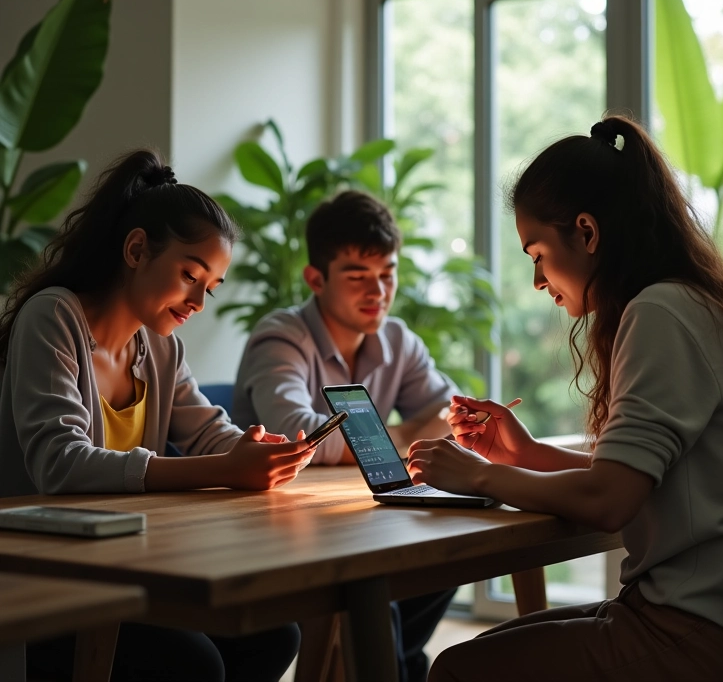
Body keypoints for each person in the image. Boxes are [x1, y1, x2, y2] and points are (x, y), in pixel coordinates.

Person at [408, 115, 723, 682]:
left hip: (690, 633)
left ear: (587, 231)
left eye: (536, 254)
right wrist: (522, 454)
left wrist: (476, 476)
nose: (536, 281)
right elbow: (639, 480)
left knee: (456, 671)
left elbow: (609, 501)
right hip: (712, 618)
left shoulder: (660, 313)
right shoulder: (699, 303)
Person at [0, 149, 313, 682]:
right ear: (137, 249)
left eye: (209, 287)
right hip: (42, 579)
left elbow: (209, 432)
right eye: (190, 275)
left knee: (274, 634)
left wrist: (253, 449)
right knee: (192, 664)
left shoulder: (159, 347)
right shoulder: (52, 316)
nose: (198, 301)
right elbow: (60, 464)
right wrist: (223, 469)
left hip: (120, 564)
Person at [232, 189, 458, 682]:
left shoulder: (397, 339)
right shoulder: (282, 336)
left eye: (387, 274)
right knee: (377, 598)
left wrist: (375, 436)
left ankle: (400, 665)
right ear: (316, 279)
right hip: (272, 526)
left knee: (447, 557)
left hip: (351, 514)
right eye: (358, 276)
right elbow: (301, 439)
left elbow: (451, 416)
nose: (377, 291)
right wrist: (401, 433)